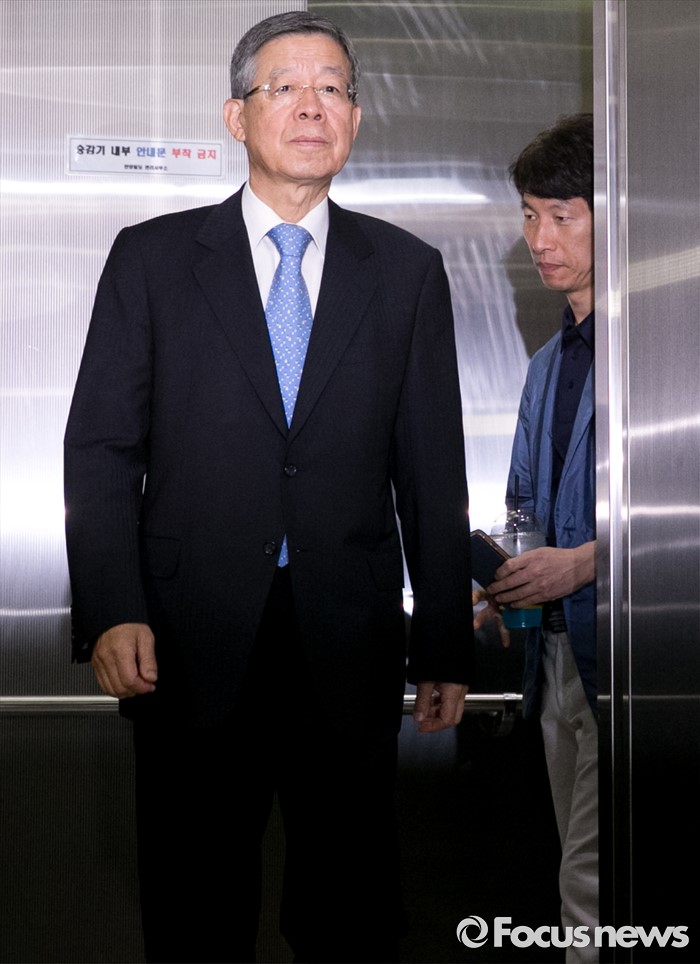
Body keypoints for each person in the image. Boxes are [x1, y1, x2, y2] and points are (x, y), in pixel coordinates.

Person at [64, 11, 473, 964]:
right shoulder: (153, 260)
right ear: (236, 116)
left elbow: (431, 468)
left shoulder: (406, 271)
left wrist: (444, 642)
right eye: (284, 87)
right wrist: (113, 608)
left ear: (356, 119)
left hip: (350, 639)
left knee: (349, 914)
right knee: (195, 911)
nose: (311, 107)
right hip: (187, 637)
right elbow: (102, 449)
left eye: (332, 89)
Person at [478, 113, 598, 961]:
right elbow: (525, 506)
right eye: (529, 215)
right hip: (552, 655)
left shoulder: (665, 348)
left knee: (588, 884)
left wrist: (585, 564)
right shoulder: (546, 365)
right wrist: (504, 575)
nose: (540, 239)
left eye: (562, 215)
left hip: (635, 654)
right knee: (577, 868)